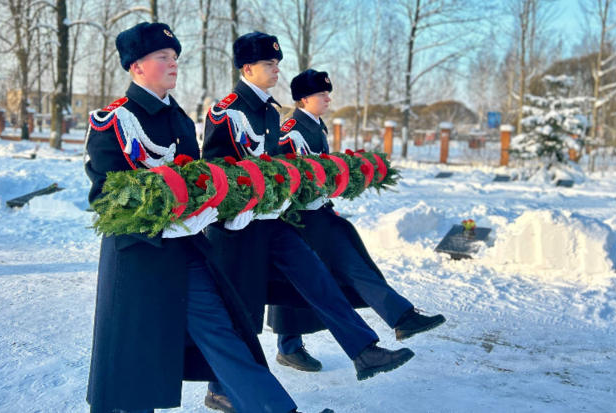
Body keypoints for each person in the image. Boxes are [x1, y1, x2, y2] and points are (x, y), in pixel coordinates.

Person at [84, 22, 331, 413]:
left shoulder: (180, 119)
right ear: (135, 67)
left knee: (225, 332)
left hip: (187, 252)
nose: (173, 64)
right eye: (162, 57)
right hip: (139, 259)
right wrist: (165, 217)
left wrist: (212, 209)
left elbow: (197, 180)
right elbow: (104, 197)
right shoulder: (113, 121)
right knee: (134, 366)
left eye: (175, 57)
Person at [201, 31, 415, 413]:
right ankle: (219, 390)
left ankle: (364, 352)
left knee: (318, 277)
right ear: (247, 68)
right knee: (242, 311)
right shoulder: (227, 112)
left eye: (277, 64)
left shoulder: (269, 110)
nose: (276, 70)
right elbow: (214, 174)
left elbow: (276, 166)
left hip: (271, 221)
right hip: (236, 231)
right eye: (269, 64)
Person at [270, 69, 447, 372]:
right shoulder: (291, 131)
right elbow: (284, 177)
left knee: (351, 266)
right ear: (302, 99)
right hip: (299, 222)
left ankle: (402, 317)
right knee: (300, 284)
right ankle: (290, 346)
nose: (327, 98)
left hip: (321, 217)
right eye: (321, 94)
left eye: (328, 93)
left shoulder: (314, 126)